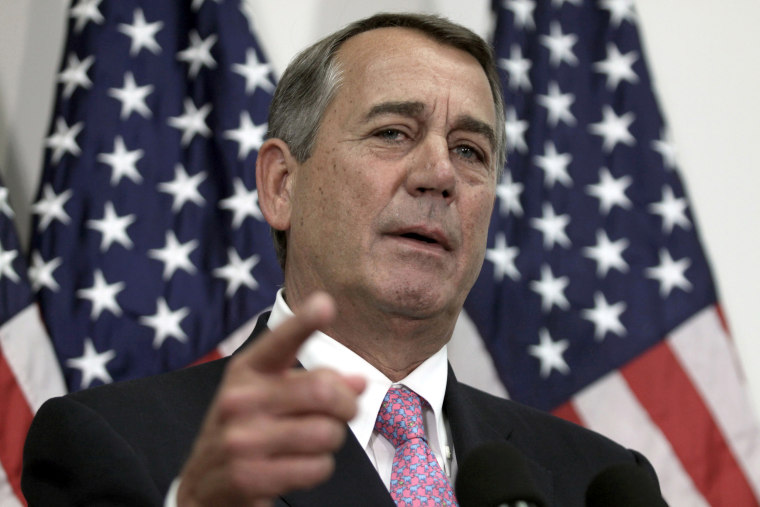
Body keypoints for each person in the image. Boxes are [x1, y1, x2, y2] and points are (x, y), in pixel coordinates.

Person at [22, 12, 662, 506]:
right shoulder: (124, 446)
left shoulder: (599, 483)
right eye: (393, 133)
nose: (439, 173)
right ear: (281, 183)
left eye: (470, 150)